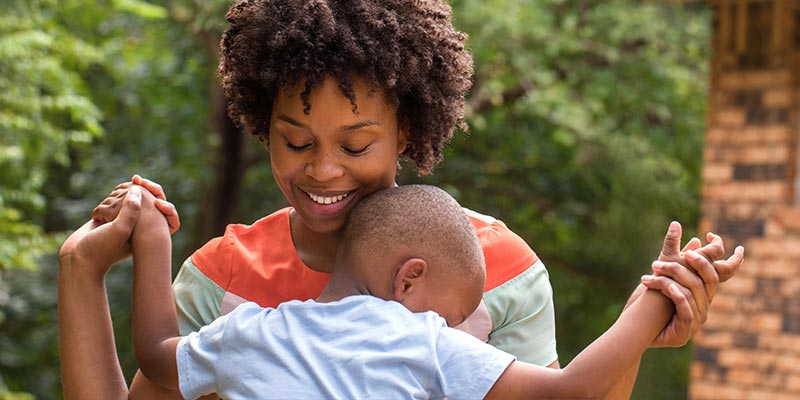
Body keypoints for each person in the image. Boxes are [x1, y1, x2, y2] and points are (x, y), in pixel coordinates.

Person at [72, 0, 741, 397]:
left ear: (406, 129)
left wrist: (647, 331)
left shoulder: (499, 269)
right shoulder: (223, 280)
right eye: (296, 142)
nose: (324, 170)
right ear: (261, 127)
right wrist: (80, 267)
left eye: (356, 145)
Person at [117, 184, 744, 399]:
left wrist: (150, 234)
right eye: (449, 314)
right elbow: (573, 389)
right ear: (408, 279)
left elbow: (152, 353)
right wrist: (656, 296)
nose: (448, 326)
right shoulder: (416, 340)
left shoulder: (249, 330)